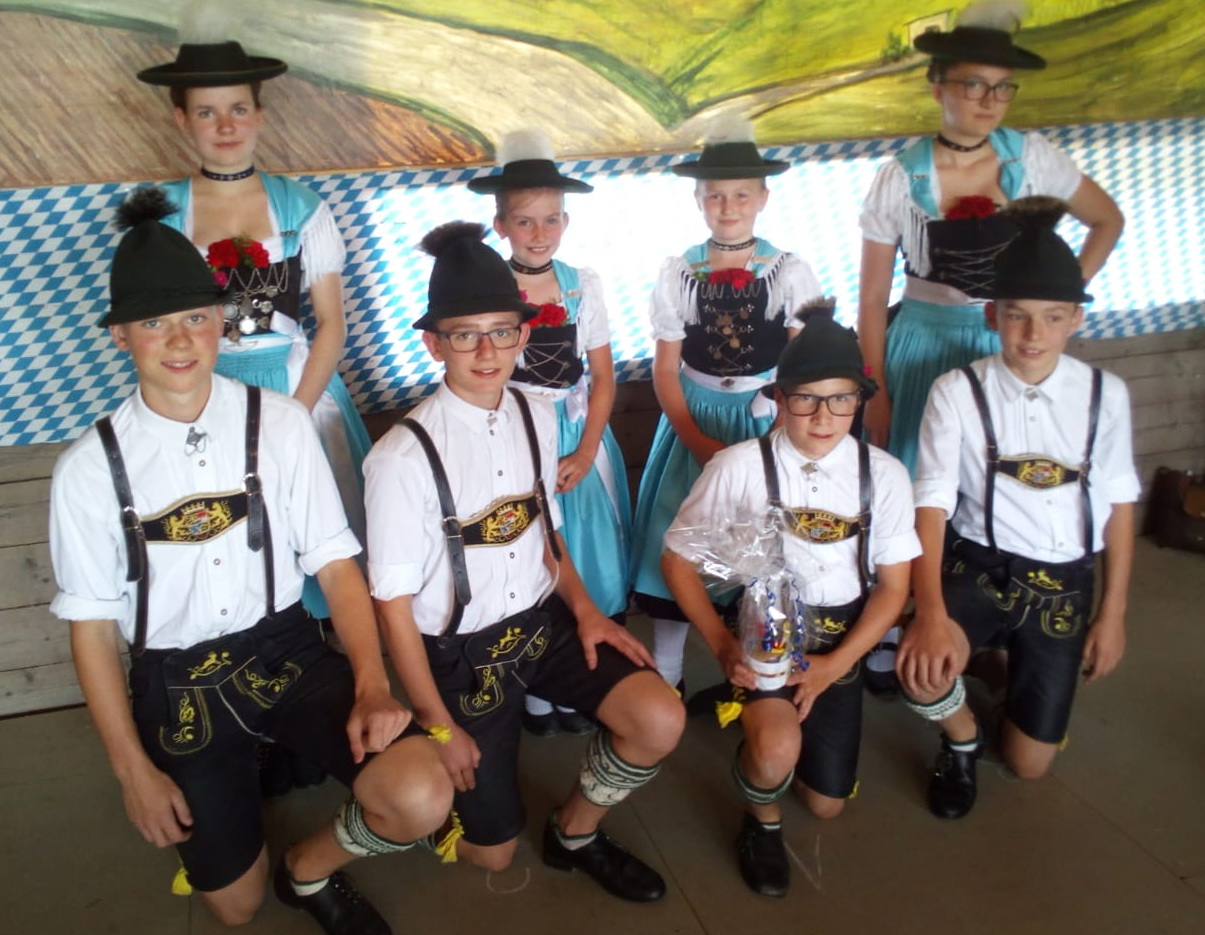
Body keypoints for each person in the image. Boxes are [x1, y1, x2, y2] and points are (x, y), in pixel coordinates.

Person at [48, 194, 453, 935]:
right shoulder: (88, 467)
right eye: (154, 323)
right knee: (234, 909)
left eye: (195, 317)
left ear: (220, 319)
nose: (180, 340)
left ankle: (309, 866)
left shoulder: (282, 424)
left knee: (421, 792)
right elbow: (93, 629)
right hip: (176, 680)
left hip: (286, 649)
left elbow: (336, 565)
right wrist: (133, 771)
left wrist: (372, 684)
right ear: (120, 335)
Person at [363, 222, 685, 902]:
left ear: (522, 334)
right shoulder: (399, 457)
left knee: (659, 716)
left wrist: (588, 612)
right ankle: (407, 796)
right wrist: (436, 722)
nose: (486, 351)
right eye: (464, 334)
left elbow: (547, 536)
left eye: (501, 331)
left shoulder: (536, 415)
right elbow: (391, 608)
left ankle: (575, 831)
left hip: (541, 625)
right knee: (493, 854)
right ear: (433, 342)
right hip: (458, 655)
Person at [896, 197, 1139, 820]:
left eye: (1052, 318)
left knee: (1029, 766)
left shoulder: (1104, 395)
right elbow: (931, 505)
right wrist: (929, 613)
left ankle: (1002, 668)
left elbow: (1119, 504)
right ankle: (961, 739)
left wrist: (1111, 615)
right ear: (992, 315)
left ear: (1075, 319)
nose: (1033, 336)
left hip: (1064, 581)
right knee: (921, 669)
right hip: (979, 566)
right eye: (1017, 316)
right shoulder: (957, 391)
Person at [662, 308, 919, 896]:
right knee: (778, 748)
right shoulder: (738, 466)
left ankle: (766, 732)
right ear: (778, 397)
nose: (824, 417)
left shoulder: (884, 475)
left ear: (860, 400)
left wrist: (834, 666)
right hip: (767, 634)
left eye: (841, 399)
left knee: (826, 803)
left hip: (843, 640)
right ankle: (762, 818)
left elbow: (894, 588)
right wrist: (722, 643)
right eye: (806, 399)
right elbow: (677, 560)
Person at [137, 35, 372, 624]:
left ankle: (338, 650)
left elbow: (332, 324)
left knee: (323, 531)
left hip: (298, 388)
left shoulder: (300, 206)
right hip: (205, 392)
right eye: (206, 112)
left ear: (260, 114)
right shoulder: (162, 212)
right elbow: (153, 331)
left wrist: (294, 414)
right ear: (181, 119)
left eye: (238, 108)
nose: (225, 125)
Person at [858, 0, 1124, 477]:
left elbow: (1108, 220)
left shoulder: (1032, 159)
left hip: (1011, 346)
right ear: (938, 86)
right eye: (974, 84)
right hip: (922, 350)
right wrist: (874, 391)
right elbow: (873, 298)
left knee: (1005, 480)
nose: (990, 101)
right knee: (922, 480)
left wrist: (1055, 296)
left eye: (1002, 87)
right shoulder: (900, 178)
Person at [630, 120, 824, 694]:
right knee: (677, 532)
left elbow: (799, 367)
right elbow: (665, 370)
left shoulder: (789, 271)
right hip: (694, 418)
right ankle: (668, 669)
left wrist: (780, 432)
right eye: (715, 195)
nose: (728, 206)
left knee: (762, 534)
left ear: (763, 197)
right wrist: (694, 439)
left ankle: (759, 668)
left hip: (765, 420)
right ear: (698, 200)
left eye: (741, 194)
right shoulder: (680, 272)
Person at [468, 129, 630, 737]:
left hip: (572, 431)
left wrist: (586, 451)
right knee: (528, 550)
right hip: (512, 432)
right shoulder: (488, 291)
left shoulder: (582, 284)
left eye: (551, 219)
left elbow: (604, 377)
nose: (540, 233)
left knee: (584, 548)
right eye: (525, 221)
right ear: (501, 225)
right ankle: (538, 686)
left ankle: (584, 678)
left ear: (566, 220)